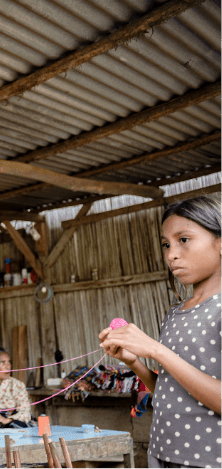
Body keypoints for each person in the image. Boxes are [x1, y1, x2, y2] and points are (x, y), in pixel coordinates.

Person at [100, 195, 221, 469]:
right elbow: (170, 390)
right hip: (163, 453)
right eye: (166, 244)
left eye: (184, 240)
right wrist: (134, 362)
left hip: (207, 460)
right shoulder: (175, 314)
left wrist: (156, 350)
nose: (171, 254)